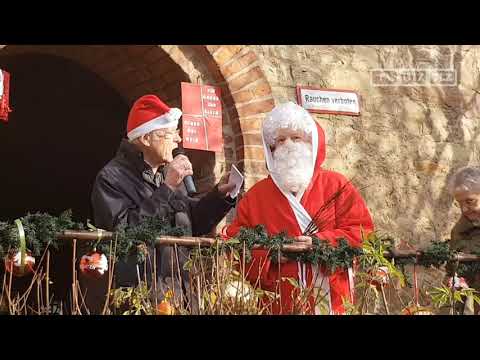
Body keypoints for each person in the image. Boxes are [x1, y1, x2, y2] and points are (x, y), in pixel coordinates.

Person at [89, 94, 236, 313]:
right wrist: (167, 188)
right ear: (146, 139)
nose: (178, 141)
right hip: (141, 295)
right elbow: (126, 231)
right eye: (170, 134)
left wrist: (219, 198)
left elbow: (192, 223)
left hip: (181, 290)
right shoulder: (112, 178)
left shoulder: (166, 174)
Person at [225, 102, 374, 315]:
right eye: (280, 140)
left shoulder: (337, 185)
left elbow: (362, 232)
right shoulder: (256, 196)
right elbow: (236, 245)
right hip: (279, 300)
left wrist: (321, 242)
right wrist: (267, 255)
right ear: (272, 148)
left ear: (310, 142)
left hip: (331, 298)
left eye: (296, 138)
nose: (288, 145)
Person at [446, 166, 480, 315]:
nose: (465, 209)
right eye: (460, 204)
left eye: (470, 201)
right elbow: (454, 271)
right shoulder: (459, 231)